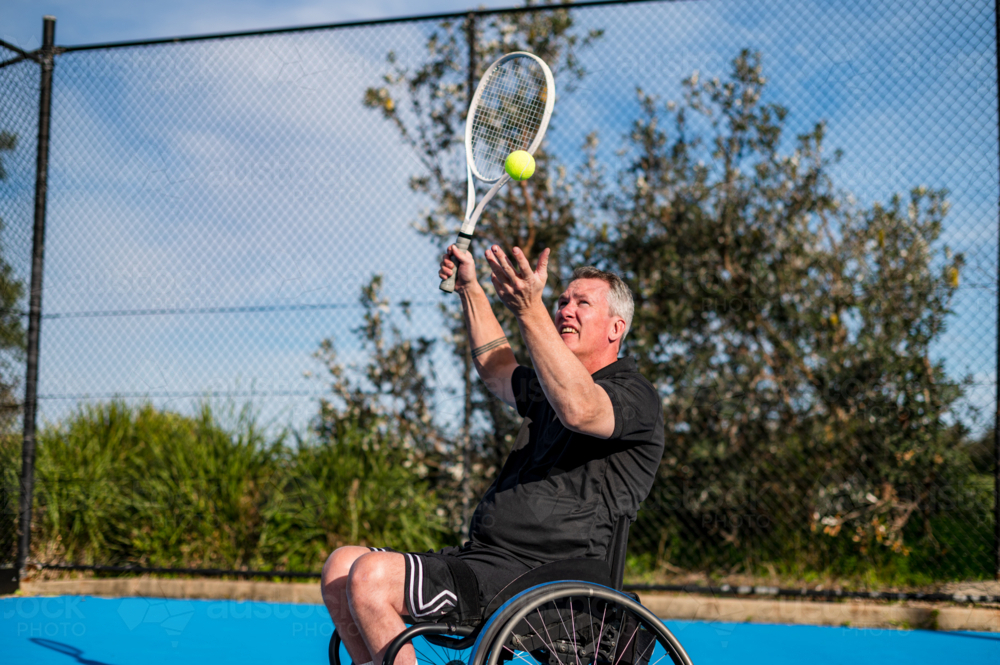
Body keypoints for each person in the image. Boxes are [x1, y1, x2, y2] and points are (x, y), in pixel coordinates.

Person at [320, 243, 664, 665]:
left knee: (372, 579)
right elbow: (496, 369)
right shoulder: (547, 388)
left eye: (582, 303)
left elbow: (581, 409)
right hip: (485, 561)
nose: (565, 310)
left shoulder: (634, 395)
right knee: (341, 567)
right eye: (561, 301)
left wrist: (528, 308)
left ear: (616, 328)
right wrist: (470, 288)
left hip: (543, 577)